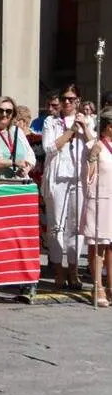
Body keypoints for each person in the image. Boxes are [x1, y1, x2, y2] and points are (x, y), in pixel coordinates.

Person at [42, 83, 92, 289]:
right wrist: (71, 132)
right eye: (64, 99)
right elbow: (49, 148)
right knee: (56, 226)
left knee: (76, 227)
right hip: (57, 178)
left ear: (78, 101)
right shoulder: (51, 122)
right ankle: (58, 268)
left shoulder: (87, 120)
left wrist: (85, 128)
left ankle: (73, 268)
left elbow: (93, 148)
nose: (68, 103)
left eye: (72, 99)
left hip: (78, 178)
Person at [82, 106, 112, 305]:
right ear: (108, 126)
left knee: (110, 245)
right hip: (99, 199)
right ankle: (97, 285)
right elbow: (87, 177)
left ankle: (111, 285)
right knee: (97, 244)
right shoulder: (94, 144)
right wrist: (92, 156)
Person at [0, 96, 36, 179]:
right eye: (0, 111)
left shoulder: (17, 131)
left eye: (8, 111)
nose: (4, 114)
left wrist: (26, 168)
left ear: (13, 114)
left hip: (21, 186)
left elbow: (31, 156)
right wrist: (13, 163)